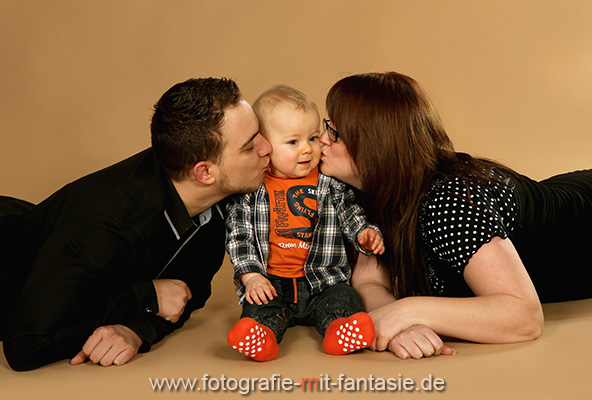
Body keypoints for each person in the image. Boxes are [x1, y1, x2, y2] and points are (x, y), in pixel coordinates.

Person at [0, 77, 272, 371]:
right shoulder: (103, 228)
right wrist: (145, 297)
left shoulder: (219, 198)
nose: (267, 147)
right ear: (204, 173)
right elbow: (25, 345)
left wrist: (138, 329)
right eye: (249, 146)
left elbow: (187, 292)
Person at [319, 71, 592, 360]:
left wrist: (408, 311)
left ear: (375, 146)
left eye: (336, 133)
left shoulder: (448, 201)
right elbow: (368, 281)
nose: (322, 139)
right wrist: (401, 327)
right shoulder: (366, 192)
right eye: (328, 126)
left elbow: (524, 317)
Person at [225, 85, 384, 361]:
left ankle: (340, 328)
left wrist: (364, 232)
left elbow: (350, 211)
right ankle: (262, 334)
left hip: (324, 279)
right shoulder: (252, 189)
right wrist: (251, 276)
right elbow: (239, 235)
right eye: (293, 142)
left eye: (312, 137)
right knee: (260, 306)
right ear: (265, 145)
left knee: (343, 298)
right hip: (272, 281)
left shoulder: (329, 183)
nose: (308, 149)